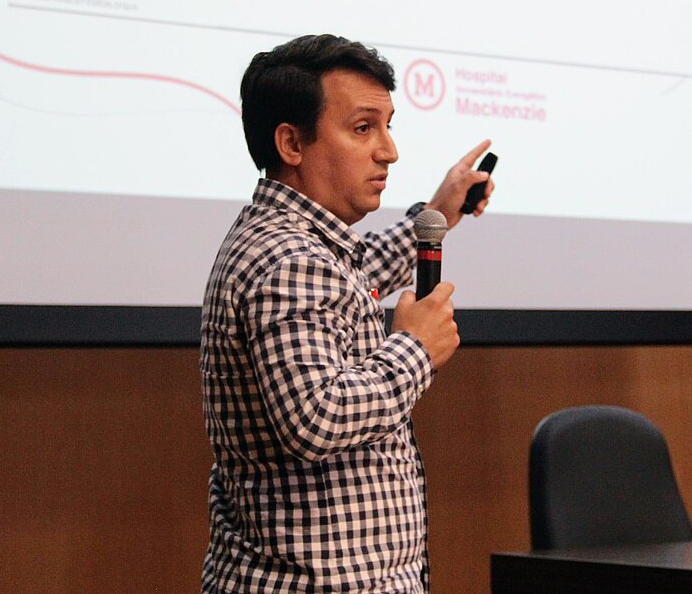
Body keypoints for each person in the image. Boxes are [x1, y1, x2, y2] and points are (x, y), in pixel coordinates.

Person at [199, 34, 493, 593]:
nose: (389, 151)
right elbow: (317, 417)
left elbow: (350, 285)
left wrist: (438, 212)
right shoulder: (289, 259)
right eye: (363, 128)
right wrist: (415, 350)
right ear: (291, 143)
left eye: (388, 126)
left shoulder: (301, 244)